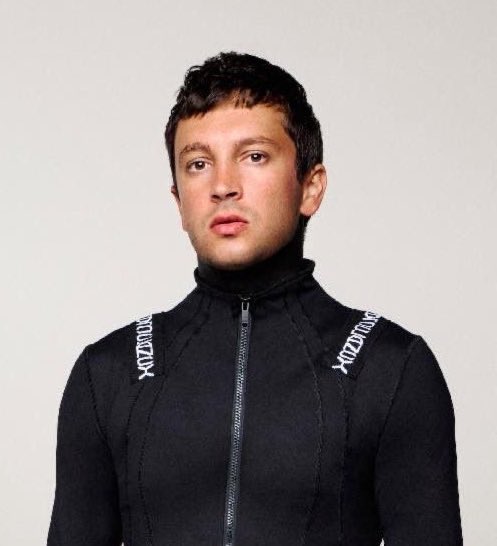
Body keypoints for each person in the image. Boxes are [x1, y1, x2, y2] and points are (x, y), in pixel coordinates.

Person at [47, 51, 464, 545]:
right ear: (179, 201)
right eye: (198, 164)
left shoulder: (390, 369)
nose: (223, 186)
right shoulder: (108, 375)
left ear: (310, 187)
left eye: (254, 156)